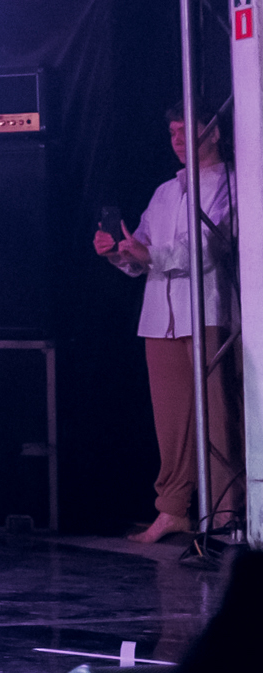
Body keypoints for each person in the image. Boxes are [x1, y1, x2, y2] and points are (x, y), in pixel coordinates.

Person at [94, 102, 243, 542]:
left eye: (185, 131)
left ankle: (227, 512)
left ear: (213, 133)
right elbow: (139, 248)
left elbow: (207, 247)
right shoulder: (165, 191)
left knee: (219, 417)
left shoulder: (233, 183)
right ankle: (174, 509)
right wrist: (118, 252)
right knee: (172, 422)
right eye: (173, 133)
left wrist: (148, 254)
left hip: (209, 313)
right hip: (160, 319)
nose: (177, 141)